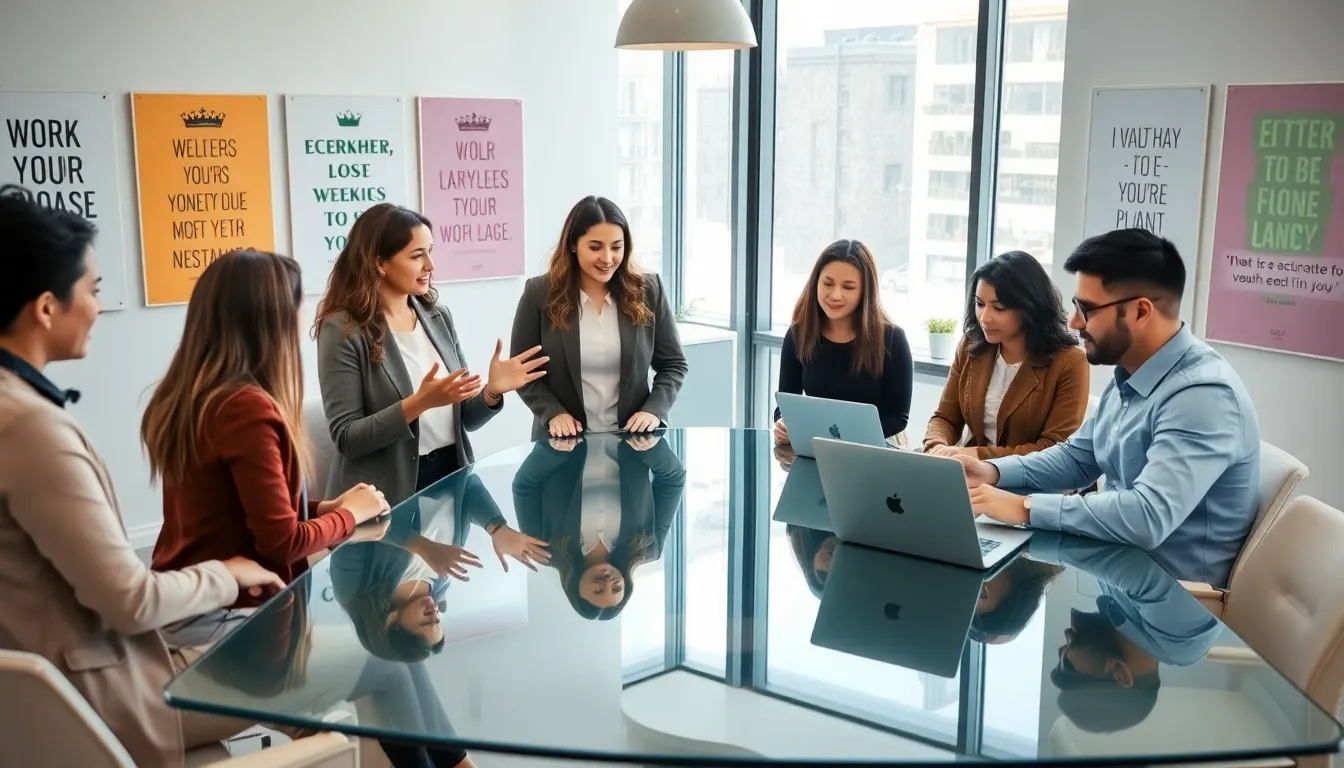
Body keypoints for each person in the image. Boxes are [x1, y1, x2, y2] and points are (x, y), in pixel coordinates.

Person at [0, 185, 286, 767]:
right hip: (104, 704)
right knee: (361, 660)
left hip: (46, 697)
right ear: (46, 306)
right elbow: (128, 603)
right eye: (94, 290)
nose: (99, 307)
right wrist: (228, 575)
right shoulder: (31, 431)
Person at [955, 229, 1261, 587]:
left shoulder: (1202, 395)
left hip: (1171, 602)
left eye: (1086, 309)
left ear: (1140, 311)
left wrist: (1022, 508)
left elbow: (1147, 516)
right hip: (1116, 572)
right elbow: (1077, 459)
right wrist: (990, 471)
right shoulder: (1133, 373)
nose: (1073, 323)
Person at [143, 251, 390, 642]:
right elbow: (284, 543)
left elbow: (237, 510)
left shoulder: (194, 396)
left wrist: (324, 509)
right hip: (232, 618)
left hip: (185, 603)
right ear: (269, 322)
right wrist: (351, 516)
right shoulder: (245, 409)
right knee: (390, 656)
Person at [316, 203, 546, 508]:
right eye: (417, 256)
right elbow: (347, 438)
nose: (431, 265)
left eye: (430, 251)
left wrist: (492, 391)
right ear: (380, 263)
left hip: (450, 480)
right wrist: (418, 403)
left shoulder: (438, 316)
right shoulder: (343, 330)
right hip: (382, 499)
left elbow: (465, 419)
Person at [510, 196, 687, 440]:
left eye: (616, 247)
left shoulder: (649, 290)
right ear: (573, 244)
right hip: (562, 446)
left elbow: (673, 365)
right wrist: (552, 413)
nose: (607, 258)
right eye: (595, 247)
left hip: (634, 443)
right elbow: (522, 372)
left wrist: (653, 411)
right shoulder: (539, 293)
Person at [1029, 532, 1222, 734]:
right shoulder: (1181, 634)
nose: (1062, 651)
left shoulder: (1122, 619)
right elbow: (1106, 550)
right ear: (1121, 675)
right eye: (1067, 666)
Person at [924, 250, 1089, 458]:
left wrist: (978, 455)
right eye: (979, 304)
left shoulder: (1070, 362)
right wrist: (936, 447)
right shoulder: (970, 345)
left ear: (1030, 307)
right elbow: (945, 417)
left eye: (999, 308)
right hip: (970, 472)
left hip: (1031, 483)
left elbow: (1053, 449)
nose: (984, 318)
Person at [511, 432, 686, 619]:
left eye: (598, 591)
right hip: (629, 420)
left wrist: (553, 450)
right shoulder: (648, 549)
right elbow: (672, 480)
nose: (608, 582)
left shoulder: (543, 550)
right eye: (616, 588)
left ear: (575, 589)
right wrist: (650, 448)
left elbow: (525, 486)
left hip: (568, 421)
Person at [773, 239, 914, 446]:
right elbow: (785, 406)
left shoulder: (892, 340)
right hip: (817, 446)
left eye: (848, 287)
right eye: (827, 284)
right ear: (816, 283)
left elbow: (898, 418)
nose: (835, 295)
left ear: (865, 292)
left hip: (878, 446)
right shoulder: (798, 335)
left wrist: (842, 439)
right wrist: (782, 424)